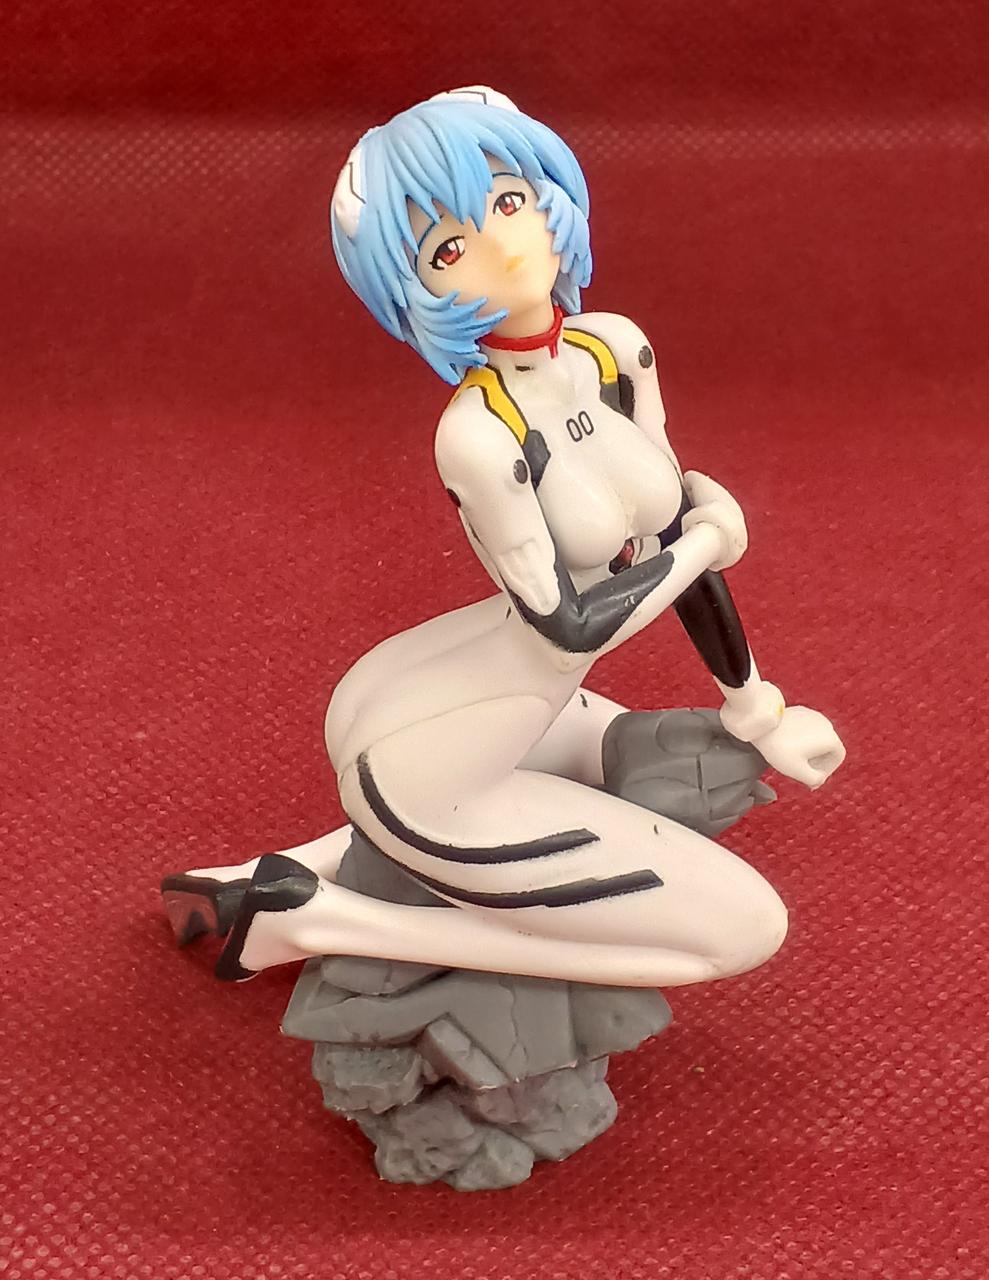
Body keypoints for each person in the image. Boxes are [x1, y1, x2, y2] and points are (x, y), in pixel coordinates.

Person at [162, 86, 844, 989]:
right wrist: (708, 544)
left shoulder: (613, 352)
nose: (500, 244)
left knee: (611, 746)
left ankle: (266, 876)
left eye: (509, 200)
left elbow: (671, 522)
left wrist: (754, 705)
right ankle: (314, 922)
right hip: (437, 754)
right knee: (745, 932)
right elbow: (570, 627)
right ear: (413, 293)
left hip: (490, 699)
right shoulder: (477, 434)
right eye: (447, 250)